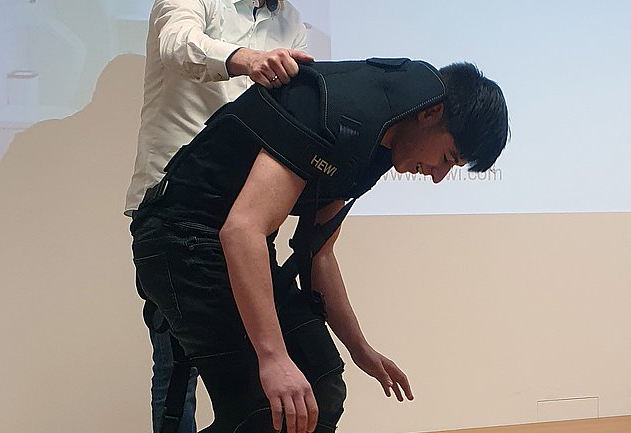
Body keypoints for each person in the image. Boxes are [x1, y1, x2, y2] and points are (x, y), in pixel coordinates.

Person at [131, 58, 509, 433]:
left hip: (236, 246)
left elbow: (319, 253)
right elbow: (242, 230)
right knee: (260, 408)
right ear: (431, 113)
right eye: (447, 158)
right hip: (181, 239)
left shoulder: (379, 140)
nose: (439, 176)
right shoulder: (344, 107)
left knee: (321, 385)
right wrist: (274, 357)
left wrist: (360, 348)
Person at [124, 1, 313, 431]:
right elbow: (177, 44)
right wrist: (247, 59)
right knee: (178, 367)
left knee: (261, 370)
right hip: (172, 213)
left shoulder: (291, 21)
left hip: (243, 217)